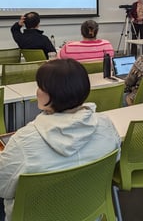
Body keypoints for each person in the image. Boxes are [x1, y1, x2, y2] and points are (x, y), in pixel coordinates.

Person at [0, 59, 120, 220]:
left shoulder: (23, 141)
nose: (37, 92)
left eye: (40, 87)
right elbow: (115, 159)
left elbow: (2, 186)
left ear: (53, 94)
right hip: (89, 212)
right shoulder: (106, 125)